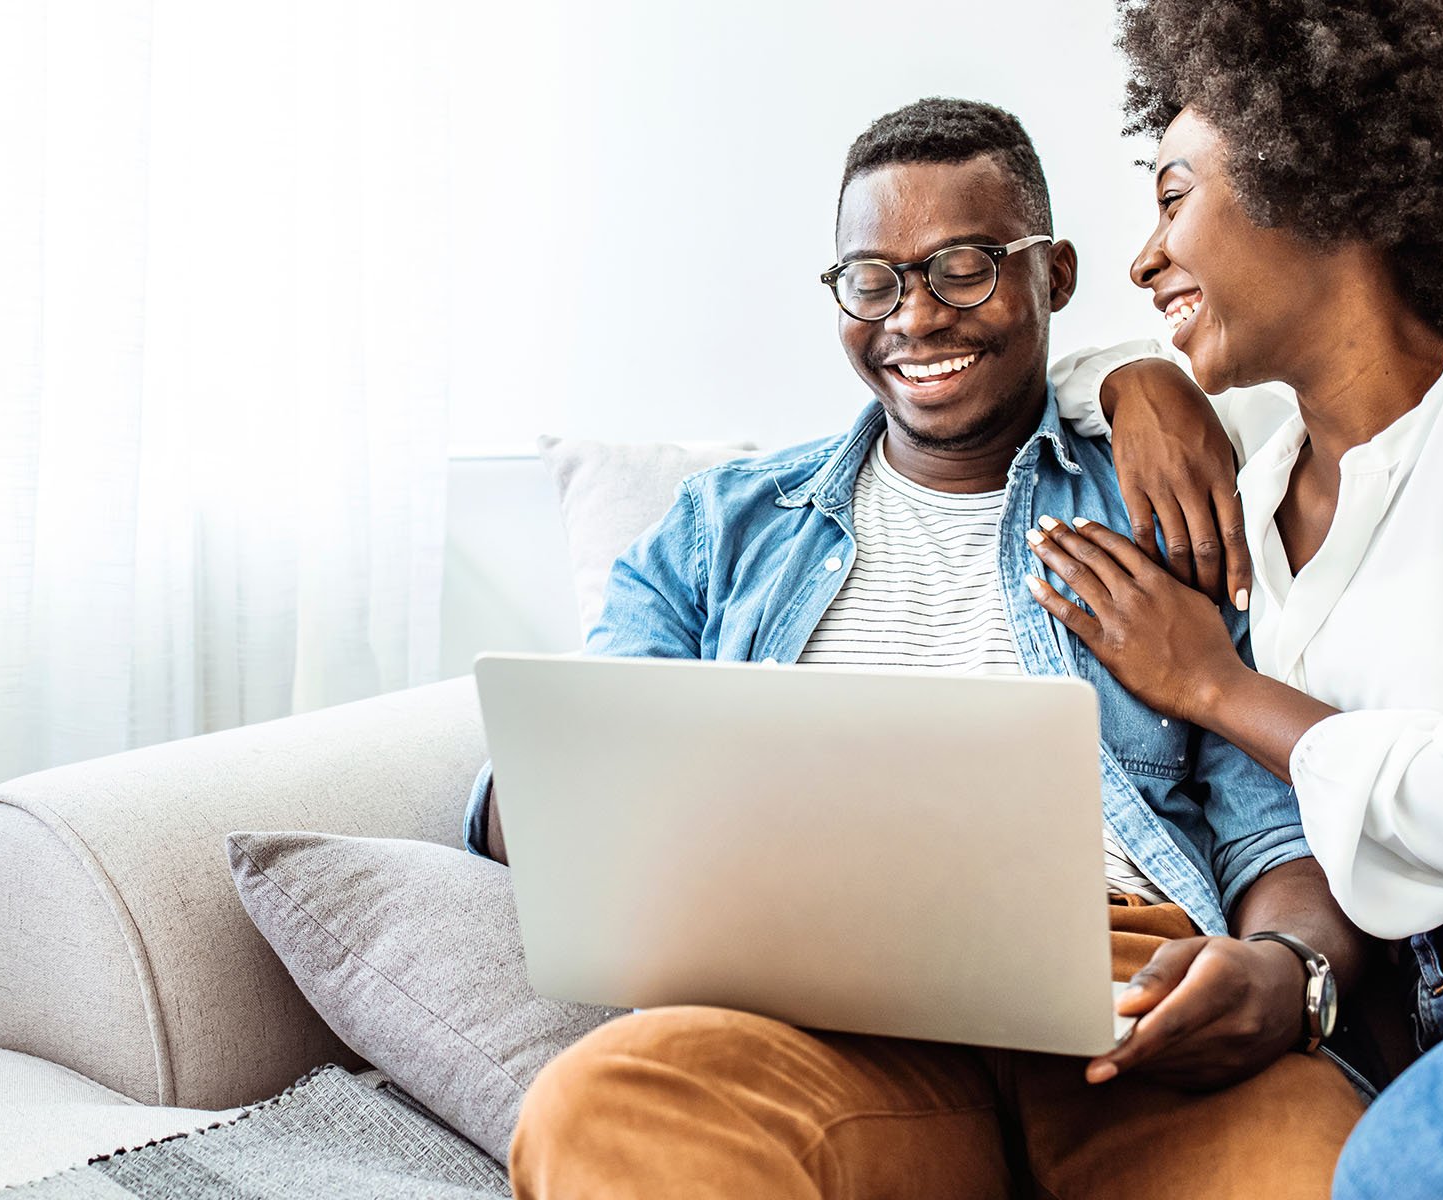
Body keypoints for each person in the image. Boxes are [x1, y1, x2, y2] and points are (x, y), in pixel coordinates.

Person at [469, 97, 1371, 1199]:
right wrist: (556, 794)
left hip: (1132, 995)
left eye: (963, 268)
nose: (916, 316)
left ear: (1055, 274)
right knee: (601, 1111)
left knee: (1315, 1173)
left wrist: (1287, 975)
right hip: (819, 1013)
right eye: (872, 279)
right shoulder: (721, 528)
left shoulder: (1171, 501)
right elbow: (560, 783)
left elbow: (1279, 824)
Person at [1024, 3, 1443, 1196]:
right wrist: (1138, 379)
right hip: (1430, 999)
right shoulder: (1255, 463)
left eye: (1171, 198)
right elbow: (1051, 374)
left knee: (1420, 1166)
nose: (1141, 260)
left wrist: (1215, 688)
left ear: (1315, 182)